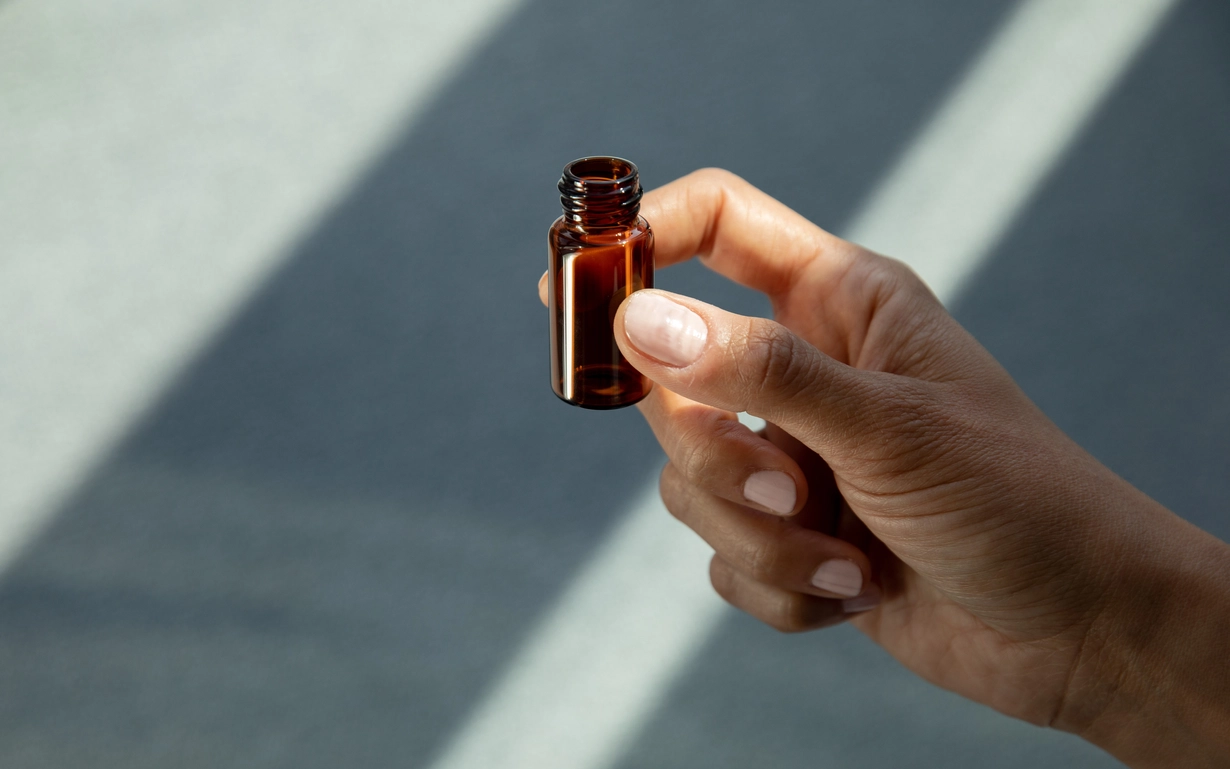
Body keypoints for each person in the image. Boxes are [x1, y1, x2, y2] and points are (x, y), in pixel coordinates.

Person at [539, 169, 1230, 768]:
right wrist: (1114, 636)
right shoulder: (583, 241)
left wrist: (1109, 634)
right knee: (749, 485)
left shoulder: (614, 241)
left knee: (754, 486)